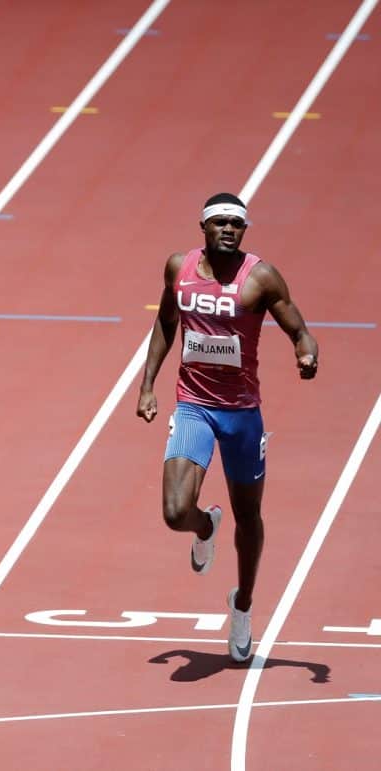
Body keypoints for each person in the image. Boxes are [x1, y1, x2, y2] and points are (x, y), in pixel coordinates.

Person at [137, 192, 318, 663]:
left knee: (249, 517)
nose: (228, 230)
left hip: (241, 414)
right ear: (203, 227)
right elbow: (165, 321)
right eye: (219, 222)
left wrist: (306, 351)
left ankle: (242, 605)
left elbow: (298, 327)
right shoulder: (179, 267)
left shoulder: (259, 277)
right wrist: (148, 386)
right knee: (176, 512)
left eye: (236, 225)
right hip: (194, 405)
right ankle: (203, 526)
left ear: (244, 232)